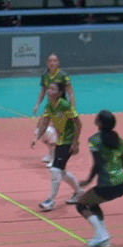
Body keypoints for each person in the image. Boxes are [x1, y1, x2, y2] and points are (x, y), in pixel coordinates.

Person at [76, 110, 123, 247]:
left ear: (99, 122)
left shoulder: (94, 140)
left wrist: (88, 180)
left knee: (81, 204)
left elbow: (97, 164)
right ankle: (104, 240)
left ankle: (101, 234)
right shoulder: (119, 139)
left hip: (108, 184)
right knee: (93, 204)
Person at [31, 82, 84, 211]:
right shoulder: (49, 106)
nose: (49, 91)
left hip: (68, 140)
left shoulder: (64, 105)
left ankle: (51, 201)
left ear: (59, 93)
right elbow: (44, 124)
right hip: (60, 140)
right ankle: (79, 193)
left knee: (55, 170)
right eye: (48, 88)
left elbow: (78, 124)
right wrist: (37, 138)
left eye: (52, 89)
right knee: (62, 172)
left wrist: (75, 142)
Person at [33, 53, 75, 166]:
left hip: (61, 108)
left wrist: (72, 109)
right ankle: (51, 151)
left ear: (58, 63)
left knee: (53, 131)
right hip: (50, 106)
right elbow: (42, 92)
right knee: (39, 130)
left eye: (55, 60)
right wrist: (37, 105)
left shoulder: (63, 76)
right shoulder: (45, 76)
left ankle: (55, 156)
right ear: (47, 63)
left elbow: (70, 93)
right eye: (50, 61)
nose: (52, 63)